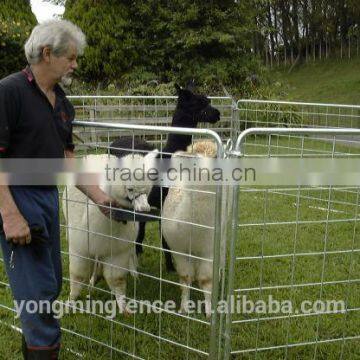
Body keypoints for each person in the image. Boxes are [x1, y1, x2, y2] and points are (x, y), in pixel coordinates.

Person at [0, 20, 119, 359]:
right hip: (16, 197)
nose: (75, 64)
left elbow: (67, 161)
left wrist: (101, 199)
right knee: (37, 297)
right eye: (71, 57)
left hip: (47, 198)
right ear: (48, 53)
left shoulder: (63, 104)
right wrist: (10, 215)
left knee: (50, 287)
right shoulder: (9, 93)